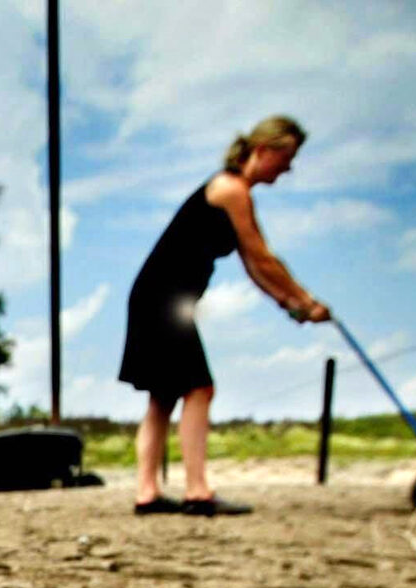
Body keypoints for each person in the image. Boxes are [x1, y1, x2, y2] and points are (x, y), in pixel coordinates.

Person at [118, 115, 331, 516]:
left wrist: (290, 304)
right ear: (264, 150)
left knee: (163, 396)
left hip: (158, 297)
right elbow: (264, 258)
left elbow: (254, 266)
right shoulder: (230, 189)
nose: (288, 168)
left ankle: (147, 493)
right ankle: (197, 491)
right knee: (199, 388)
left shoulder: (232, 191)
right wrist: (305, 299)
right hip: (162, 298)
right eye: (286, 158)